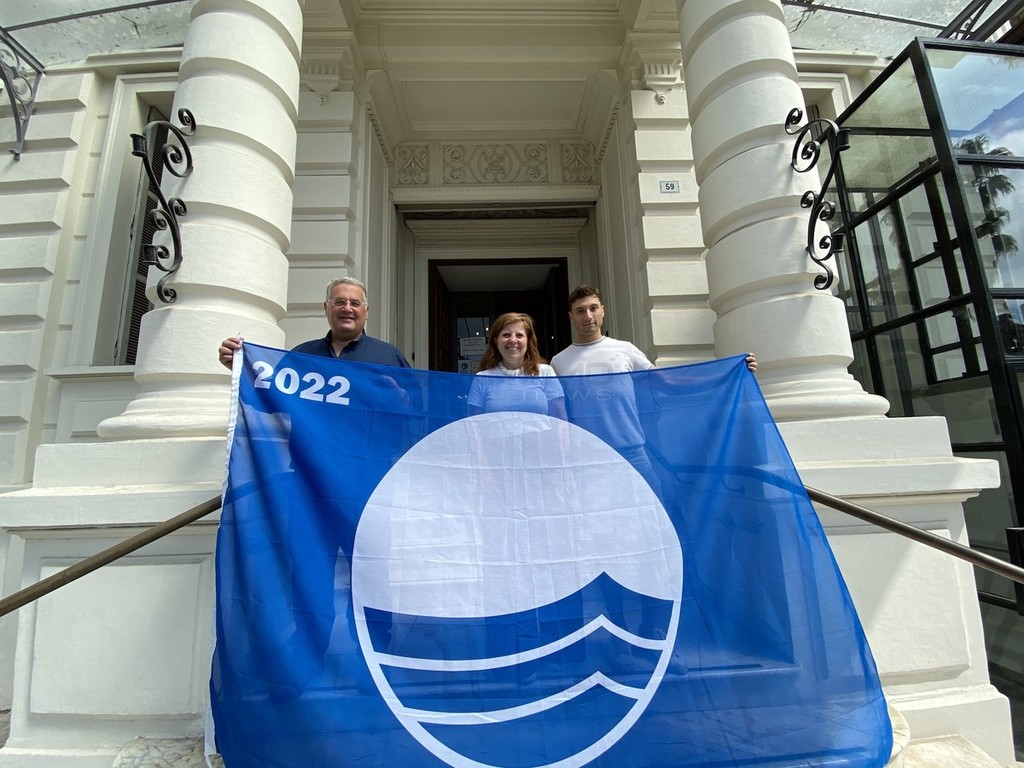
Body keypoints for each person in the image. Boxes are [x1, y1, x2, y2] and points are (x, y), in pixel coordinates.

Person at [551, 284, 757, 375]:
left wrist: (730, 370)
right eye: (580, 311)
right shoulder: (558, 362)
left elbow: (665, 381)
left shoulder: (625, 349)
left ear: (602, 311)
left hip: (629, 444)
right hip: (582, 447)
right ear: (571, 317)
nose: (588, 316)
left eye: (593, 308)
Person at [218, 276, 410, 369]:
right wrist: (240, 368)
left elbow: (415, 408)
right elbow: (270, 397)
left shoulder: (389, 357)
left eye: (355, 303)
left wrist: (402, 399)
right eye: (339, 302)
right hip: (308, 440)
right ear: (326, 307)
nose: (347, 308)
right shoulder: (301, 355)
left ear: (366, 312)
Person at [468, 312, 564, 417]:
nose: (513, 340)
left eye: (519, 335)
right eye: (506, 335)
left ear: (528, 341)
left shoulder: (545, 373)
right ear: (496, 341)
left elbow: (560, 421)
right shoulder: (482, 378)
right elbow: (474, 423)